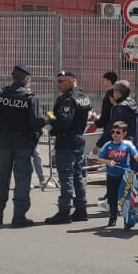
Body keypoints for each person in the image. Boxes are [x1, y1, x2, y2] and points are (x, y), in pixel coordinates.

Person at [0, 64, 48, 227]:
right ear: (26, 78)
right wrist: (48, 120)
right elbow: (37, 122)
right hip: (24, 143)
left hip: (3, 142)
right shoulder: (31, 97)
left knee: (1, 179)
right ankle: (19, 217)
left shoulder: (0, 94)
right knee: (22, 179)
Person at [44, 71, 93, 224]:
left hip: (67, 141)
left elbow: (63, 122)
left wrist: (51, 118)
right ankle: (81, 209)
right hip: (78, 139)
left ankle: (64, 211)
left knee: (66, 176)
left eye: (61, 81)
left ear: (72, 81)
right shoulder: (83, 96)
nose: (58, 84)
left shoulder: (68, 100)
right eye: (57, 81)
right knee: (78, 175)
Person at [89, 122, 138, 227]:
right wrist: (108, 162)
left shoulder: (127, 145)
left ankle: (127, 219)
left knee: (125, 197)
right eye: (113, 132)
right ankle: (113, 216)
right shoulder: (108, 145)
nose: (114, 134)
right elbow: (100, 159)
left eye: (118, 132)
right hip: (111, 175)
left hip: (125, 175)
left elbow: (136, 156)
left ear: (124, 134)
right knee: (112, 197)